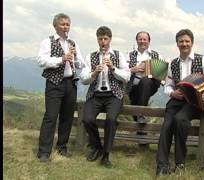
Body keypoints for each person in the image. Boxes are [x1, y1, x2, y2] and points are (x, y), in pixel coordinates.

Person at [156, 29, 204, 176]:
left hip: (195, 102)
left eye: (187, 41)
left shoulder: (203, 60)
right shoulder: (173, 63)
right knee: (167, 125)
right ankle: (162, 166)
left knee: (180, 120)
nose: (184, 44)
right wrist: (172, 93)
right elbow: (168, 85)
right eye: (181, 41)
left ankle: (180, 163)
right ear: (177, 44)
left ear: (192, 43)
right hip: (177, 100)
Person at [80, 26, 130, 168]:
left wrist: (113, 68)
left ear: (110, 39)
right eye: (100, 39)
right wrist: (94, 73)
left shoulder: (118, 55)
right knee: (87, 119)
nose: (103, 42)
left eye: (105, 39)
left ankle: (106, 155)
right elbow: (83, 79)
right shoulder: (91, 56)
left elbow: (126, 77)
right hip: (95, 94)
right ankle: (97, 147)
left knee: (111, 119)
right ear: (97, 40)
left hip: (113, 95)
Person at [37, 13, 84, 162]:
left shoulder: (73, 43)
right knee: (51, 117)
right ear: (55, 26)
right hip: (54, 83)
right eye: (63, 24)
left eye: (68, 24)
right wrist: (61, 59)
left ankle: (62, 147)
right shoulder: (48, 41)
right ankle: (44, 152)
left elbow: (82, 64)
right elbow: (41, 60)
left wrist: (75, 58)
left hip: (70, 83)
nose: (66, 27)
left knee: (67, 117)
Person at [127, 31, 163, 124]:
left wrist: (149, 70)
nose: (142, 41)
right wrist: (133, 69)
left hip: (150, 84)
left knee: (145, 81)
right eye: (140, 39)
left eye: (144, 39)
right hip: (133, 85)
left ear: (149, 41)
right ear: (137, 41)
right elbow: (123, 71)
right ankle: (140, 127)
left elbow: (162, 73)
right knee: (135, 105)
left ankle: (141, 114)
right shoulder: (129, 55)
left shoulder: (157, 55)